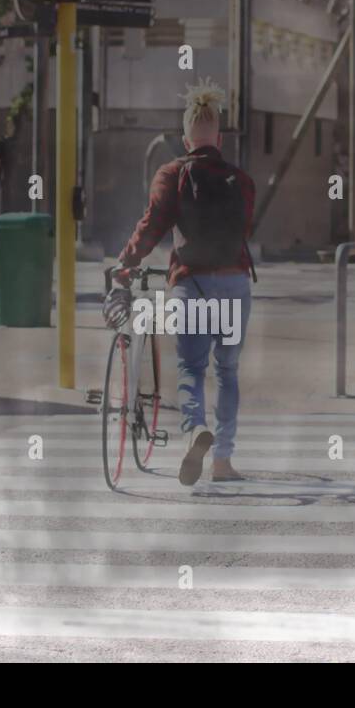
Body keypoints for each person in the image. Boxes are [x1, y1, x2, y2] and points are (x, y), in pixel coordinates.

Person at [114, 78, 256, 486]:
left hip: (192, 285)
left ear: (185, 138)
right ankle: (223, 461)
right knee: (227, 371)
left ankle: (195, 430)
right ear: (219, 139)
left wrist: (126, 262)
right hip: (235, 284)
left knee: (191, 368)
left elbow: (152, 226)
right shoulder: (241, 180)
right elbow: (244, 229)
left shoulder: (172, 173)